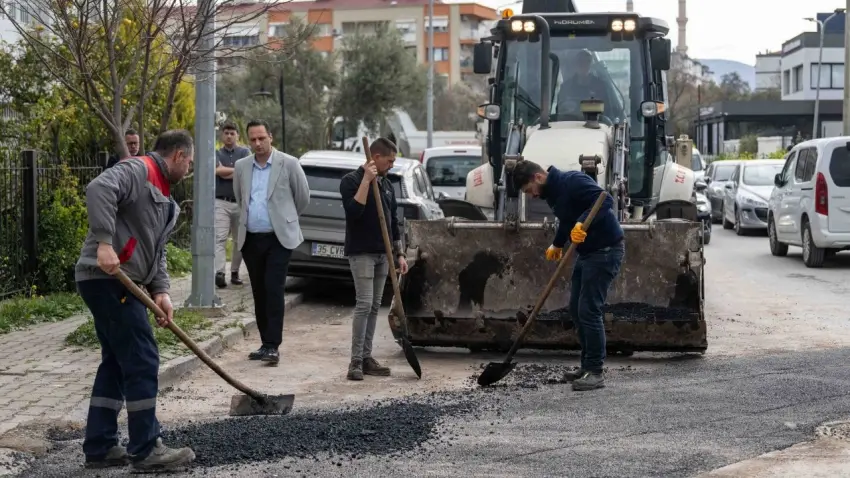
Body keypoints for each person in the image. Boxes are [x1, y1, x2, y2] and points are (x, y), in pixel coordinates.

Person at [74, 130, 196, 471]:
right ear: (177, 156)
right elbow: (98, 189)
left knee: (116, 360)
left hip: (126, 285)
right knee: (142, 357)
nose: (189, 168)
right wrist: (103, 242)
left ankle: (100, 445)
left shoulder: (165, 195)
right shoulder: (138, 170)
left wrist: (162, 292)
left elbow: (156, 251)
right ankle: (145, 449)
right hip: (106, 280)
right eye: (189, 161)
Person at [512, 160, 624, 392]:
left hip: (605, 251)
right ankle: (585, 366)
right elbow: (565, 219)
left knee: (588, 309)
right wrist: (557, 243)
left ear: (537, 178)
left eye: (528, 190)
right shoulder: (553, 193)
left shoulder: (573, 181)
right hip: (587, 253)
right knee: (575, 308)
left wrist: (582, 222)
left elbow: (605, 200)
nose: (531, 196)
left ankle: (594, 371)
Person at [234, 119, 310, 365]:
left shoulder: (289, 163)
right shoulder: (241, 166)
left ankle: (272, 345)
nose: (257, 143)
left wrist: (285, 219)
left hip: (278, 239)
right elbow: (240, 197)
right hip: (251, 239)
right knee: (258, 291)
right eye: (253, 139)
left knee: (273, 289)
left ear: (271, 137)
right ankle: (265, 342)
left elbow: (303, 197)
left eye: (261, 138)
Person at [339, 137, 409, 381]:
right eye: (389, 161)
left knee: (374, 307)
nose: (391, 165)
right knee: (364, 304)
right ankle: (355, 361)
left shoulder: (387, 185)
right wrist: (367, 181)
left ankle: (367, 357)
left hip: (384, 254)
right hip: (361, 253)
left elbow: (393, 223)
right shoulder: (351, 181)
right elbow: (354, 212)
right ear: (375, 157)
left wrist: (399, 253)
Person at [214, 121, 252, 288]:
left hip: (240, 202)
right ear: (222, 135)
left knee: (239, 240)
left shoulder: (245, 152)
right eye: (226, 133)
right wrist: (237, 171)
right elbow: (217, 171)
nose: (229, 136)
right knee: (219, 238)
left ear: (237, 135)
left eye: (232, 133)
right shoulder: (215, 153)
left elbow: (247, 172)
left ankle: (235, 271)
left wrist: (225, 171)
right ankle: (220, 272)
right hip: (220, 201)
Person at [557, 50, 610, 115]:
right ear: (575, 64)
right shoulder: (565, 87)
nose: (583, 64)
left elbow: (608, 110)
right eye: (580, 61)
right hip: (570, 122)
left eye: (587, 61)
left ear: (591, 64)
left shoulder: (600, 86)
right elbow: (559, 111)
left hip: (595, 122)